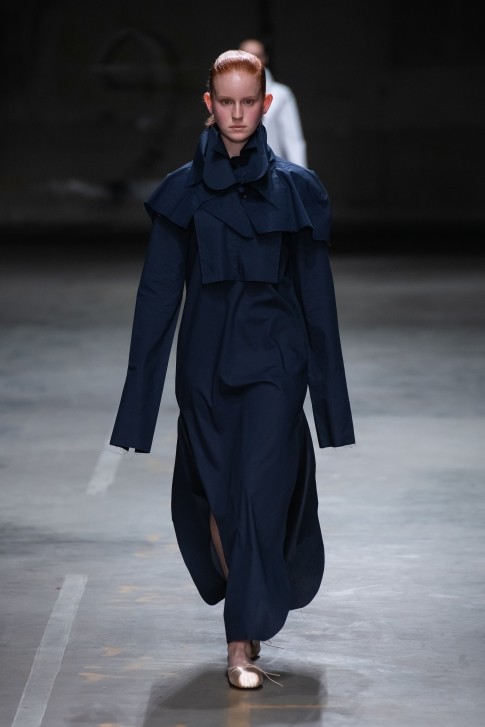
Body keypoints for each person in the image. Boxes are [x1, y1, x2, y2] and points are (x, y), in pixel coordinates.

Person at [110, 49, 354, 689]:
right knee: (222, 501)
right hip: (207, 368)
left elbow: (318, 301)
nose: (238, 113)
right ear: (209, 104)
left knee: (258, 496)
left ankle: (238, 646)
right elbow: (157, 297)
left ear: (265, 104)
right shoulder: (183, 192)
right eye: (227, 102)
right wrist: (137, 409)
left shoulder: (297, 191)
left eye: (249, 102)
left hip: (276, 365)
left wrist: (330, 406)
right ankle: (247, 609)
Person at [239, 37, 307, 166]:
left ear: (265, 58)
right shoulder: (226, 91)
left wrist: (300, 174)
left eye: (257, 56)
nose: (251, 60)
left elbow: (292, 140)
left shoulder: (281, 94)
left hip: (270, 170)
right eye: (245, 55)